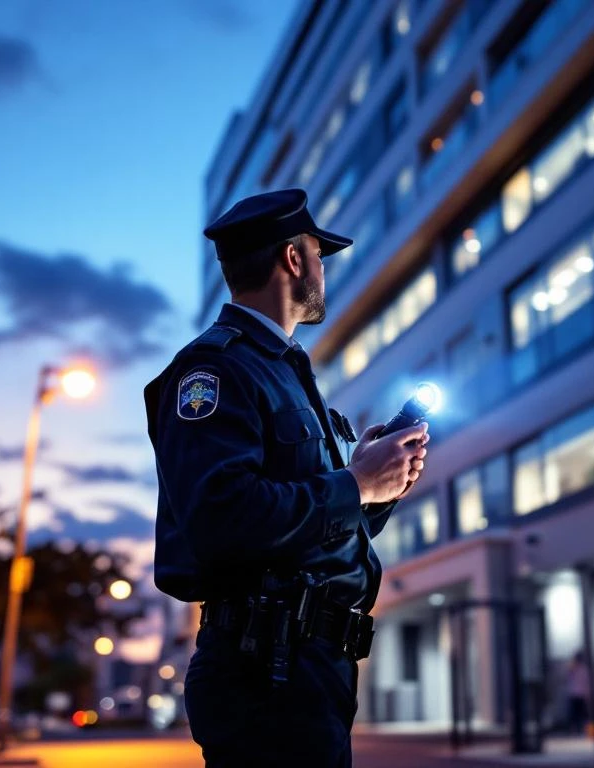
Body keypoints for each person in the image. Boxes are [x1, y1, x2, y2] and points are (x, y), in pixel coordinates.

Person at [144, 188, 430, 767]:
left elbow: (303, 528)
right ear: (294, 259)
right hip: (263, 671)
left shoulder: (285, 371)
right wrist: (356, 486)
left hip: (308, 668)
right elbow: (223, 518)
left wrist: (377, 487)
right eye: (319, 254)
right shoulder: (214, 369)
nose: (324, 270)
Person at [565, 650, 590, 735]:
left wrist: (587, 694)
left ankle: (580, 730)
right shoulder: (574, 668)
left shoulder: (582, 669)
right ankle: (576, 730)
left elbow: (586, 682)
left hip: (578, 694)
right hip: (576, 694)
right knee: (576, 713)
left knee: (580, 714)